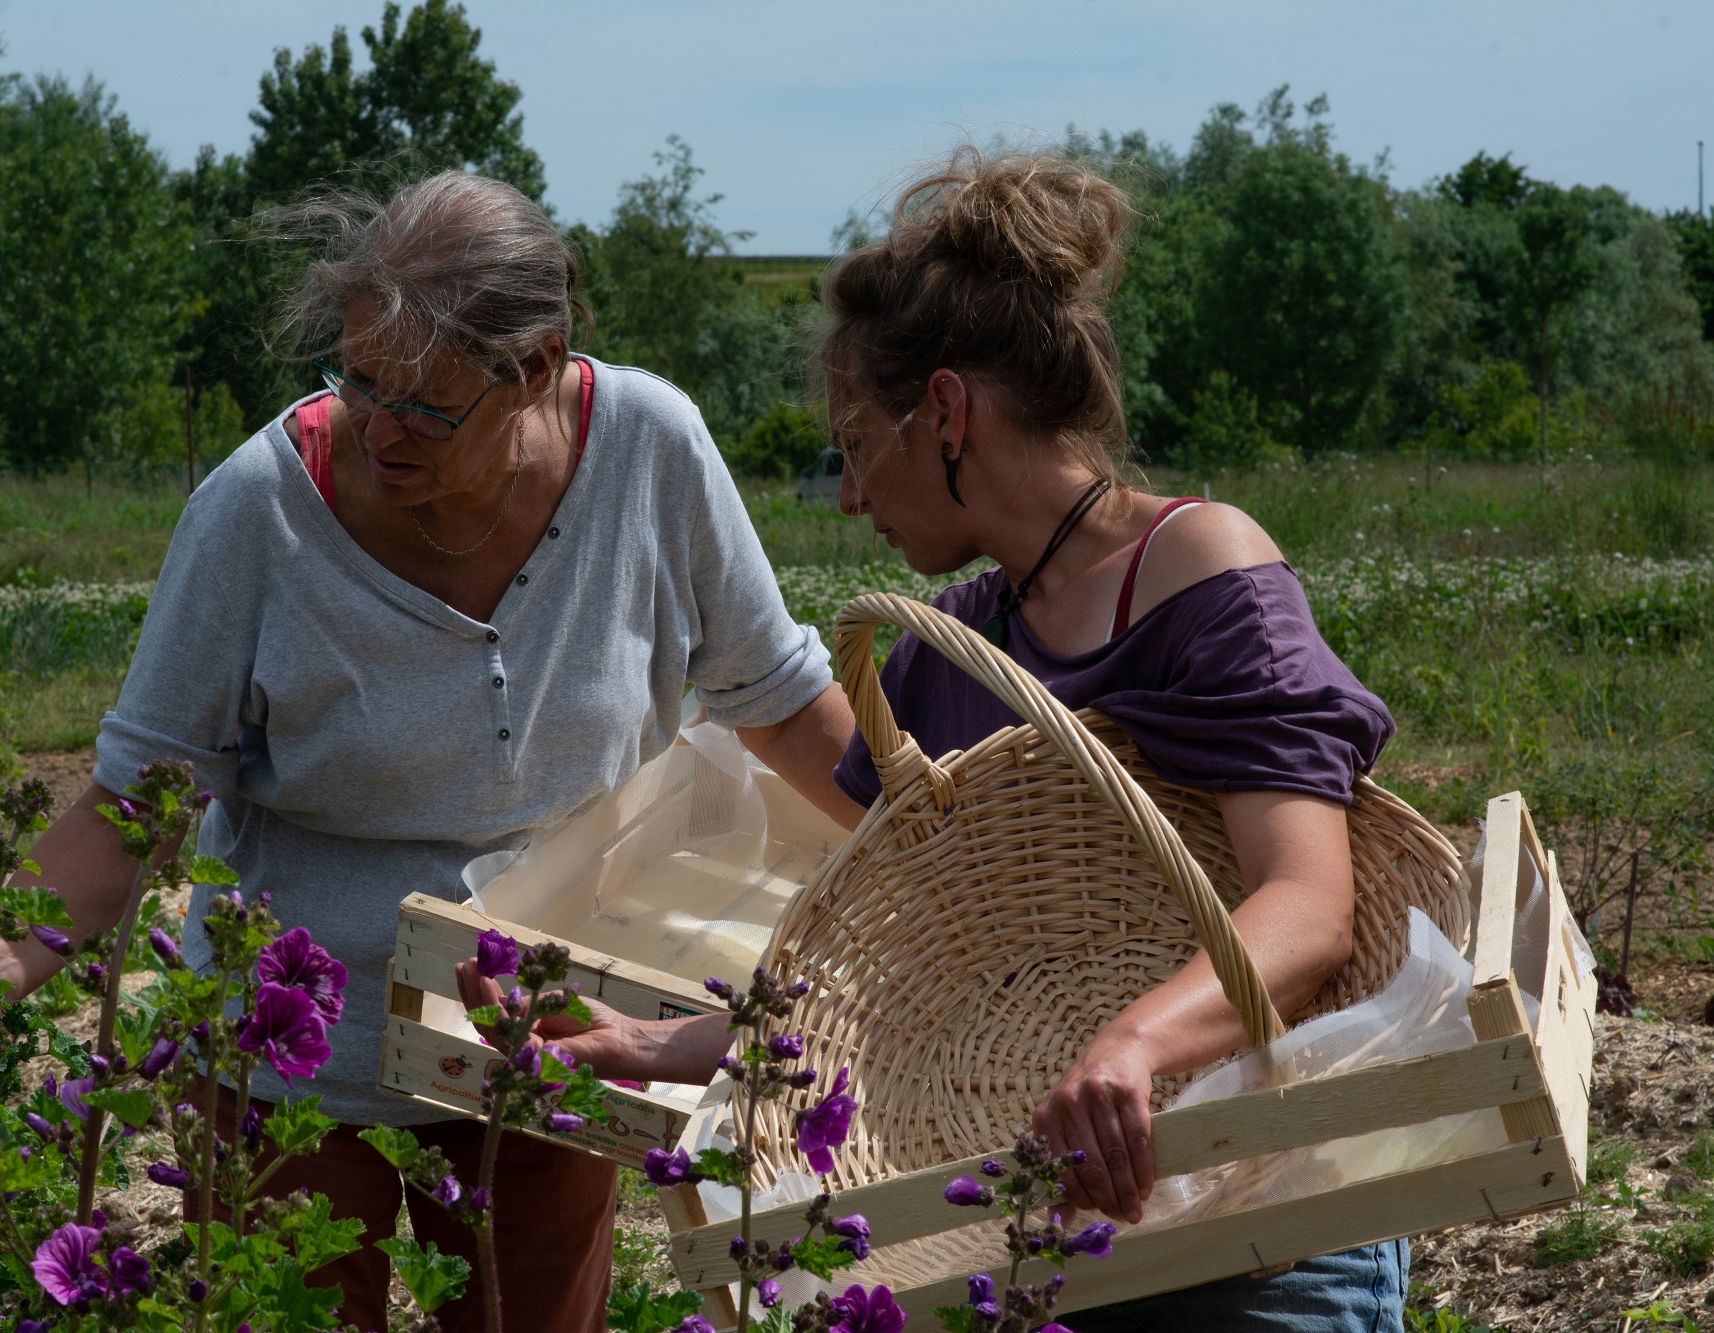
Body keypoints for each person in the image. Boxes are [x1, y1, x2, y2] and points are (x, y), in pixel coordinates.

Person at [0, 171, 861, 1333]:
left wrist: (932, 859)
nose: (377, 425)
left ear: (535, 365)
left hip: (547, 1036)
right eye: (356, 379)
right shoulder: (257, 513)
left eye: (423, 403)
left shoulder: (649, 453)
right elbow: (129, 810)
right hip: (294, 1065)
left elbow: (781, 702)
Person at [502, 149, 1408, 1333]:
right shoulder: (939, 657)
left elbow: (1306, 905)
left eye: (854, 443)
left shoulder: (1195, 570)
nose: (846, 496)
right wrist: (648, 1041)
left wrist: (1127, 1047)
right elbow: (895, 985)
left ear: (942, 412)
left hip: (1259, 1226)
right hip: (1046, 1234)